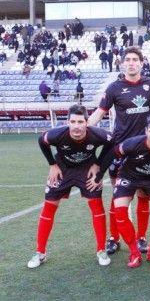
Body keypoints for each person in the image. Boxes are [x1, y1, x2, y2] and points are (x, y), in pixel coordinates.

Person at [88, 47, 150, 255]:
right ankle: (113, 237)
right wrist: (83, 130)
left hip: (145, 149)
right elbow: (99, 114)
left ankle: (142, 237)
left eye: (135, 59)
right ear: (122, 64)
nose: (131, 63)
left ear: (141, 63)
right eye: (127, 60)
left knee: (143, 194)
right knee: (118, 194)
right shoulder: (114, 88)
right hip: (119, 148)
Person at [93, 113, 150, 268]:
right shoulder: (132, 144)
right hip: (129, 176)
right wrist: (98, 176)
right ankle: (134, 253)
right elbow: (112, 153)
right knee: (120, 211)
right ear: (146, 131)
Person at [27, 105, 113, 269]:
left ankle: (101, 250)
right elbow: (41, 140)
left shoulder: (97, 135)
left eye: (80, 122)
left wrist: (98, 165)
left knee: (96, 205)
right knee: (49, 206)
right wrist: (52, 164)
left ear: (87, 123)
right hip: (62, 170)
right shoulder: (57, 134)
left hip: (86, 169)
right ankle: (40, 252)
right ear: (67, 122)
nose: (76, 126)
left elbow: (112, 143)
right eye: (72, 121)